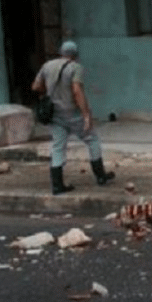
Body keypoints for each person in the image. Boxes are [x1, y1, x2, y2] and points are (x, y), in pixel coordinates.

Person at [31, 40, 115, 195]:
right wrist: (86, 114)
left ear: (60, 52)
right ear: (76, 55)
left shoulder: (47, 65)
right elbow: (77, 91)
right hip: (72, 113)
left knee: (57, 146)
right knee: (92, 139)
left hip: (54, 114)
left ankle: (57, 185)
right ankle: (100, 176)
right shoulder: (75, 68)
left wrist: (48, 92)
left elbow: (36, 86)